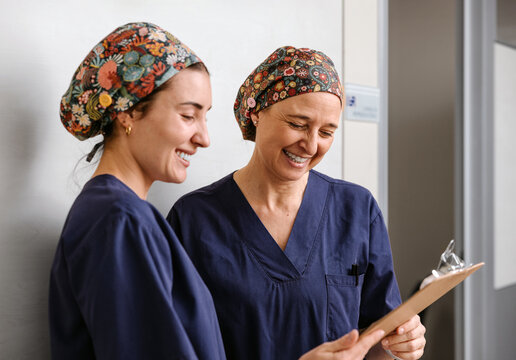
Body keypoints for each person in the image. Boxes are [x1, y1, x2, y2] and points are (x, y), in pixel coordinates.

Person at [49, 23, 386, 360]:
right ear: (129, 114)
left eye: (205, 117)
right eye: (187, 115)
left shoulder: (125, 216)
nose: (204, 138)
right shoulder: (121, 221)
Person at [168, 46, 426, 360]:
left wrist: (401, 346)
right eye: (298, 124)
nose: (311, 145)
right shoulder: (194, 219)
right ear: (256, 112)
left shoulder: (357, 209)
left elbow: (375, 342)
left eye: (327, 132)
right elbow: (177, 346)